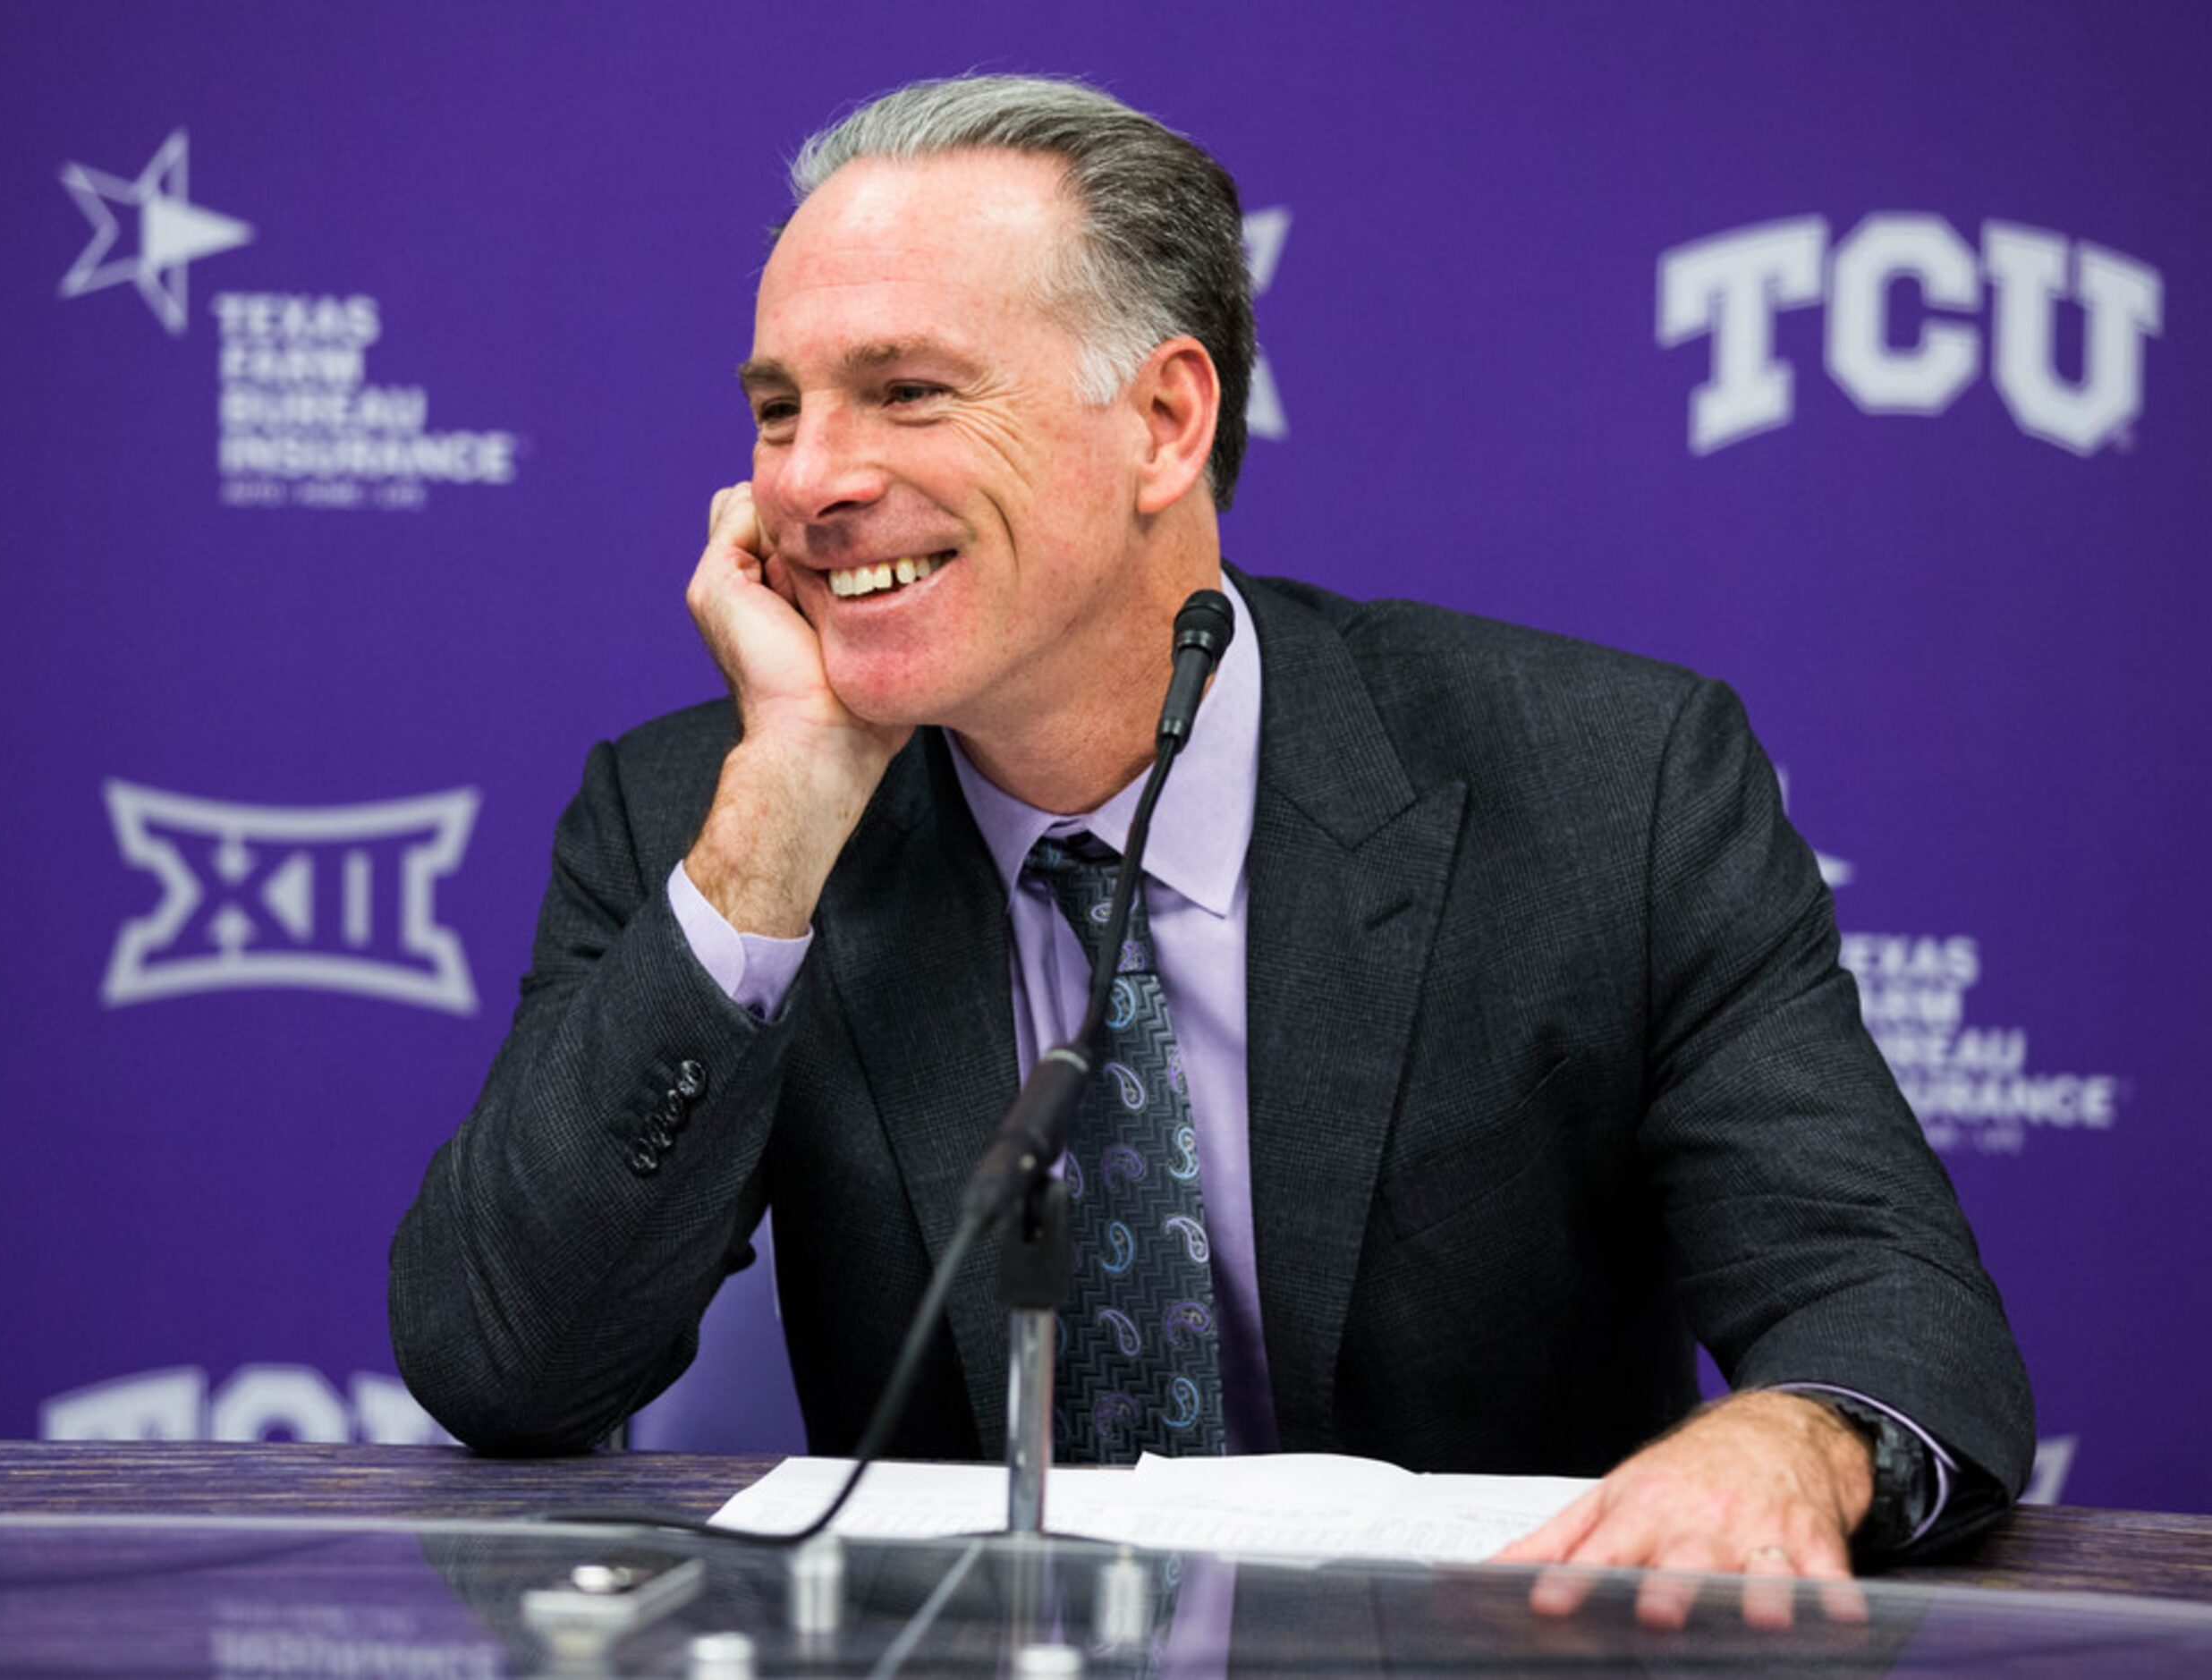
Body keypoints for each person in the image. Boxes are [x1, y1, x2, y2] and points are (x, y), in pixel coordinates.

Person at [390, 72, 2032, 1626]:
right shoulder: (709, 810)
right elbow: (507, 1363)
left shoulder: (1612, 785)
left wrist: (1796, 1437)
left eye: (906, 393)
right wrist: (781, 821)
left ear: (1167, 420)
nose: (812, 480)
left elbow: (1891, 1305)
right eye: (777, 408)